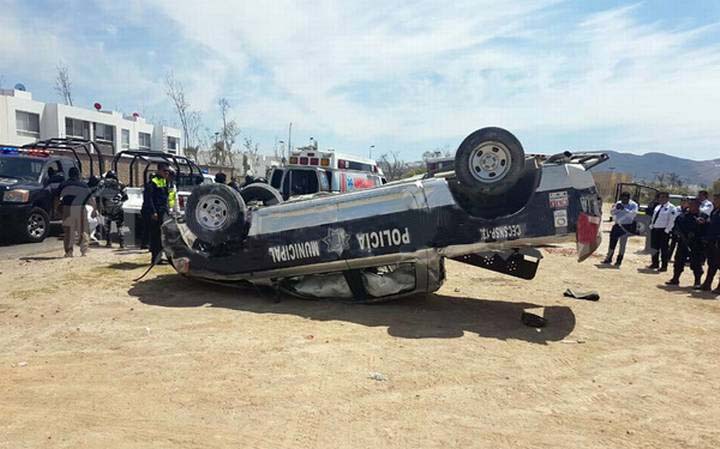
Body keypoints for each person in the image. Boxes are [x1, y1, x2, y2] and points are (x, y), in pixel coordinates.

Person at [665, 199, 706, 288]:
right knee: (678, 262)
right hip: (682, 243)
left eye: (694, 205)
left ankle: (697, 282)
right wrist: (677, 233)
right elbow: (676, 226)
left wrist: (701, 226)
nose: (692, 207)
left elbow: (706, 230)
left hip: (696, 244)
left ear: (699, 206)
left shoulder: (703, 216)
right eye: (690, 205)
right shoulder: (682, 216)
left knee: (696, 263)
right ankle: (675, 279)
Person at [142, 163, 175, 263]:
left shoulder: (164, 181)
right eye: (165, 171)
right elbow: (149, 199)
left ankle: (160, 257)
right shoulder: (153, 182)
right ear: (159, 171)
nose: (167, 173)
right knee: (156, 236)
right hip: (156, 213)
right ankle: (155, 258)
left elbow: (166, 197)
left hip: (163, 212)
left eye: (168, 171)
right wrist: (154, 212)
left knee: (163, 236)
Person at [59, 167, 94, 257]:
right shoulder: (83, 185)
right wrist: (95, 209)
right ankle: (84, 251)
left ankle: (69, 252)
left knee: (68, 231)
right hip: (80, 208)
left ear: (69, 175)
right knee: (83, 230)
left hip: (67, 208)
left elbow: (56, 198)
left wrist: (57, 208)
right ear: (78, 175)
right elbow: (91, 199)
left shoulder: (64, 184)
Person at [602, 192, 638, 267]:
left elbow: (632, 215)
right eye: (622, 199)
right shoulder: (619, 203)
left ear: (628, 198)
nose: (623, 201)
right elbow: (612, 213)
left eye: (625, 199)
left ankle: (619, 260)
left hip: (626, 226)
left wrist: (624, 209)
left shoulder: (633, 205)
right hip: (617, 225)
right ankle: (608, 258)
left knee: (622, 244)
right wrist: (617, 208)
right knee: (612, 242)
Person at [97, 170, 128, 248]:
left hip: (107, 207)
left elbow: (98, 196)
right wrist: (119, 202)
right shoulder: (121, 184)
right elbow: (126, 197)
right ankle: (122, 243)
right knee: (120, 226)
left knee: (107, 226)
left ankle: (108, 242)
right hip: (118, 207)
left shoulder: (102, 183)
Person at [648, 192, 677, 272]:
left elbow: (672, 220)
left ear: (667, 198)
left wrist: (667, 230)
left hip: (663, 231)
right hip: (655, 229)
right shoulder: (657, 206)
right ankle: (655, 263)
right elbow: (654, 217)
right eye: (660, 197)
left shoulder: (671, 208)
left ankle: (664, 266)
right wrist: (652, 225)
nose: (661, 199)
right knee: (654, 247)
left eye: (663, 197)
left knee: (664, 249)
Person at [700, 193, 720, 292]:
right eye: (714, 200)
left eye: (716, 200)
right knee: (712, 263)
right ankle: (707, 284)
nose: (714, 202)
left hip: (718, 242)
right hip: (711, 241)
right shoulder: (715, 211)